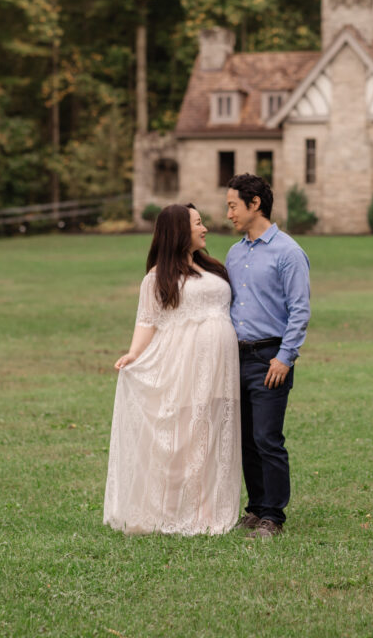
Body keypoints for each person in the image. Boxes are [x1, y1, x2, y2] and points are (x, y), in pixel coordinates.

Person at [103, 204, 241, 536]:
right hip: (184, 366)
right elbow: (146, 321)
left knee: (213, 437)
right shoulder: (157, 278)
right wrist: (134, 354)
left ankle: (208, 511)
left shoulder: (212, 268)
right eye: (197, 223)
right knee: (186, 440)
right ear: (179, 230)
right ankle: (173, 511)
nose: (204, 228)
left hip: (221, 368)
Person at [225, 174, 310, 539]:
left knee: (267, 437)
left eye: (232, 205)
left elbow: (300, 309)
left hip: (271, 358)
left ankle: (273, 516)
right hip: (235, 359)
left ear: (254, 203)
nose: (228, 213)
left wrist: (285, 357)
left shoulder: (289, 252)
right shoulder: (234, 253)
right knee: (245, 438)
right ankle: (256, 507)